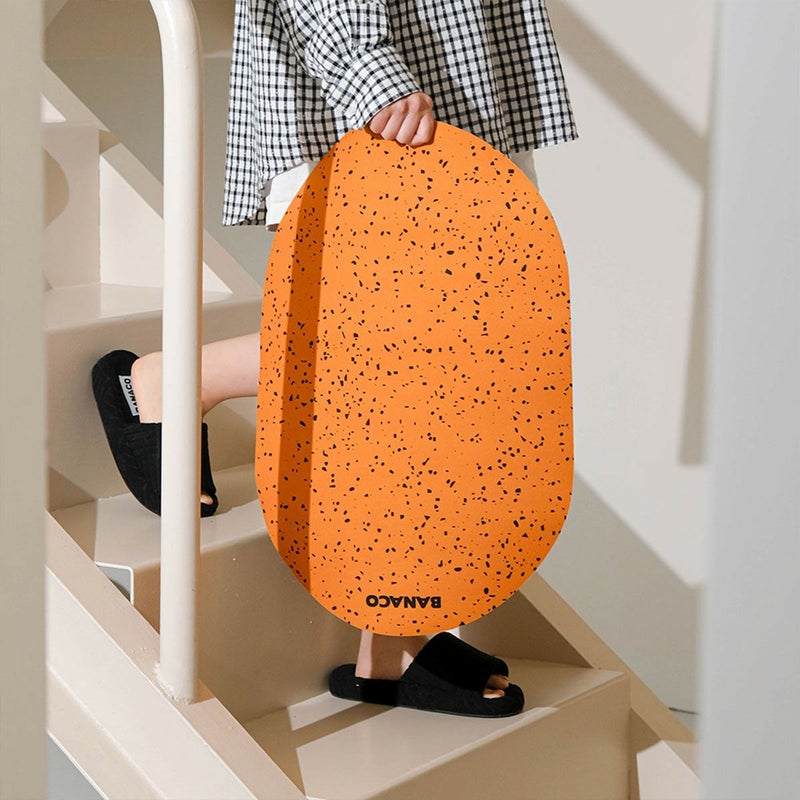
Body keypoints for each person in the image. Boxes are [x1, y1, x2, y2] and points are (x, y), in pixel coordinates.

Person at [93, 0, 576, 717]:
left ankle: (389, 643)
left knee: (442, 365)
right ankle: (175, 379)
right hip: (379, 94)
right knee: (394, 357)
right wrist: (366, 68)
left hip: (455, 83)